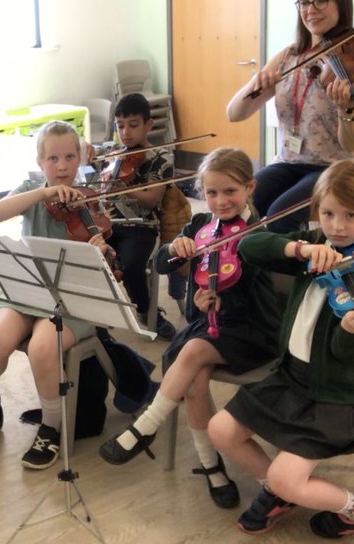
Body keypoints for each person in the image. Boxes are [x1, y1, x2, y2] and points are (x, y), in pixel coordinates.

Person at [208, 157, 354, 537]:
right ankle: (279, 491)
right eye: (328, 214)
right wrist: (299, 251)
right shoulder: (316, 246)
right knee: (221, 430)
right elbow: (249, 245)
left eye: (350, 216)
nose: (337, 227)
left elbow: (346, 355)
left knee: (287, 475)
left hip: (339, 395)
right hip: (292, 379)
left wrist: (348, 329)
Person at [98, 148, 282, 509]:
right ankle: (212, 468)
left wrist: (220, 300)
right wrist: (175, 248)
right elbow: (162, 264)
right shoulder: (201, 227)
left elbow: (255, 293)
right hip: (206, 324)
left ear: (250, 188)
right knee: (195, 381)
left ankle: (144, 428)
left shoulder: (259, 233)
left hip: (251, 329)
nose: (220, 200)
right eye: (211, 193)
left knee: (193, 352)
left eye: (230, 191)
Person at [0, 121, 111, 470]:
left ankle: (51, 427)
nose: (62, 166)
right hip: (25, 292)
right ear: (40, 162)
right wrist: (43, 193)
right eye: (53, 158)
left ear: (80, 158)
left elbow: (104, 260)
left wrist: (100, 249)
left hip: (71, 301)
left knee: (42, 347)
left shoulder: (90, 200)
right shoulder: (32, 190)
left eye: (69, 156)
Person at [226, 0, 354, 234]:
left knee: (278, 216)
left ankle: (289, 272)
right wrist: (257, 83)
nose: (311, 9)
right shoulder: (290, 55)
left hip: (337, 167)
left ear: (340, 3)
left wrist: (345, 111)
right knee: (239, 203)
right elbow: (234, 113)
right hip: (289, 162)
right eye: (304, 2)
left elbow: (352, 142)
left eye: (321, 0)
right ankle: (238, 271)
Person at [99, 93, 178, 339]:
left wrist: (124, 188)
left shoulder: (162, 157)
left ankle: (146, 311)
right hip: (108, 223)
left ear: (148, 125)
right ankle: (95, 316)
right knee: (87, 258)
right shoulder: (113, 151)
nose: (126, 133)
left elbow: (152, 198)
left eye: (133, 125)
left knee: (132, 266)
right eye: (120, 126)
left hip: (141, 226)